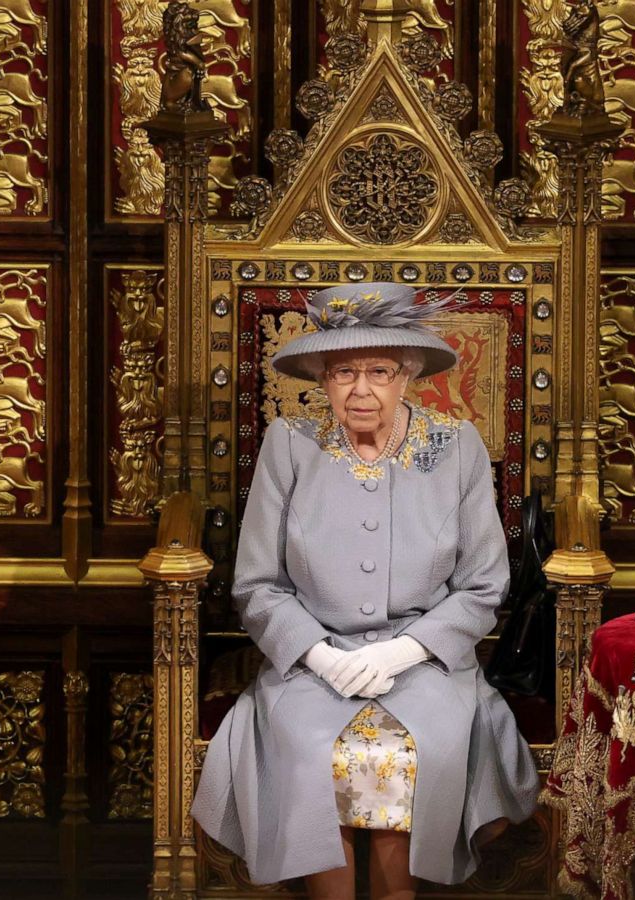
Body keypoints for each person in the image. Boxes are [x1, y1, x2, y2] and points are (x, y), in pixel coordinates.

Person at [192, 283, 538, 896]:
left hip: (427, 664)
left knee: (408, 756)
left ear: (406, 375)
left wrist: (403, 652)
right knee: (306, 752)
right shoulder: (290, 446)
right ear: (322, 379)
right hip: (308, 666)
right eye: (343, 371)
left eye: (378, 371)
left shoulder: (456, 447)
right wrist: (318, 654)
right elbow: (257, 584)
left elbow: (484, 584)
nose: (361, 389)